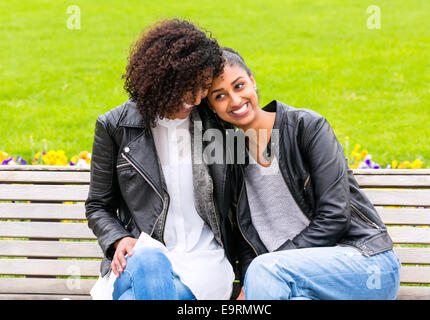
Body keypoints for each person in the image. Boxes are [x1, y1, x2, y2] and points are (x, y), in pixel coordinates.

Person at [205, 47, 401, 300]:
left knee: (264, 269)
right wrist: (247, 281)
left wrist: (267, 267)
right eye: (220, 96)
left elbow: (335, 217)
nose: (234, 100)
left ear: (252, 82)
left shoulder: (306, 127)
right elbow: (244, 238)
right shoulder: (230, 158)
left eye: (239, 86)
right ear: (212, 107)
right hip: (295, 283)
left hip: (364, 264)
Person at [85, 19, 237, 300]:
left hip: (203, 262)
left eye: (202, 86)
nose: (194, 97)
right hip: (137, 257)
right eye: (186, 86)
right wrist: (120, 238)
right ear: (160, 80)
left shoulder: (215, 125)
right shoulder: (116, 126)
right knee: (150, 260)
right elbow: (98, 205)